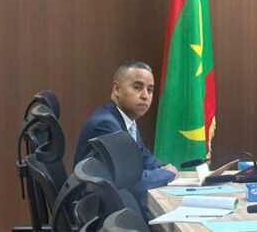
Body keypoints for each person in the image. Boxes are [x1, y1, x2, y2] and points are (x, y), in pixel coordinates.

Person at [74, 60, 179, 190]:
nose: (145, 96)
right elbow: (130, 182)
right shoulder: (106, 124)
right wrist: (167, 174)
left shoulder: (127, 121)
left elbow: (145, 158)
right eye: (137, 87)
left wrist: (162, 167)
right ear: (117, 89)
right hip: (98, 201)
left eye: (150, 90)